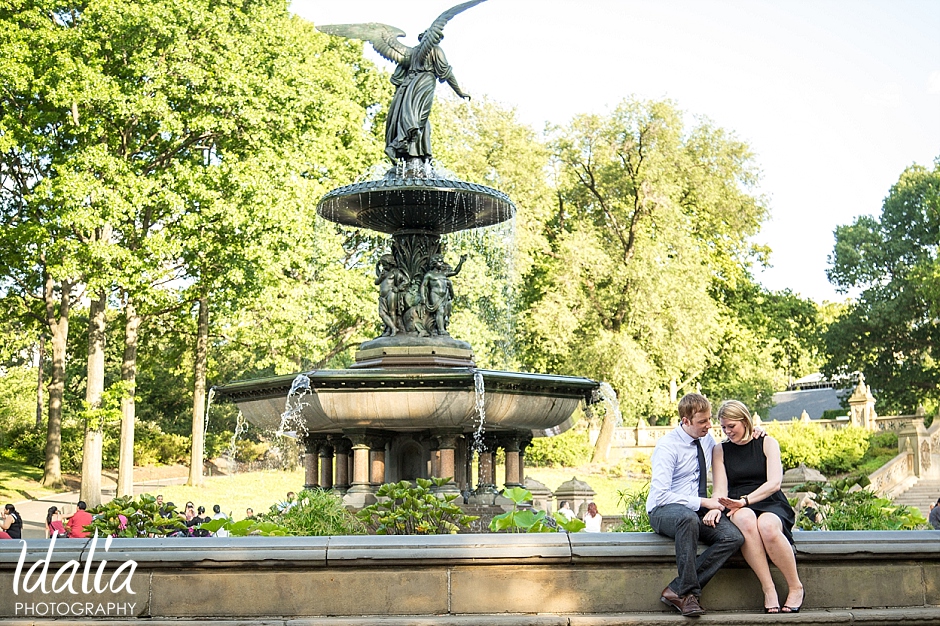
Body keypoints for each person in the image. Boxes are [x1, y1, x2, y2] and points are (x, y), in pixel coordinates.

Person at [645, 393, 745, 617]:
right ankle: (689, 595)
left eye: (709, 419)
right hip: (663, 511)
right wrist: (703, 502)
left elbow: (734, 444)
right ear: (685, 421)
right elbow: (660, 495)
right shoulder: (667, 447)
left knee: (733, 537)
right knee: (687, 518)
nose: (709, 425)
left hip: (695, 510)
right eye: (702, 421)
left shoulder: (707, 440)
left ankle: (676, 589)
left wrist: (754, 433)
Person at [713, 400, 804, 614]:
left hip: (769, 500)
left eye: (731, 426)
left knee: (768, 526)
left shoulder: (767, 442)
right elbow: (720, 488)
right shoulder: (720, 450)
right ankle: (768, 588)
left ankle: (796, 587)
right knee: (745, 519)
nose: (727, 432)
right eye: (723, 427)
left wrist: (746, 500)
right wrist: (717, 507)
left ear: (745, 421)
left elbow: (774, 483)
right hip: (737, 503)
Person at [420, 254, 466, 335]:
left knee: (444, 312)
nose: (442, 264)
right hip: (435, 294)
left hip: (444, 296)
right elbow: (423, 286)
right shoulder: (430, 274)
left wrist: (461, 262)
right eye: (440, 262)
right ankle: (441, 330)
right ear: (434, 263)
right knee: (440, 311)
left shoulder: (443, 273)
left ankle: (439, 327)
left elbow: (455, 272)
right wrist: (423, 297)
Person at [376, 254, 408, 336]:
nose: (384, 266)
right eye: (382, 265)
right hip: (382, 296)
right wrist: (377, 268)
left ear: (390, 263)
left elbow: (406, 280)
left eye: (385, 264)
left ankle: (391, 330)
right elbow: (376, 282)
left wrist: (398, 288)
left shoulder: (395, 272)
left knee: (392, 312)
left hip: (391, 293)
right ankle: (392, 327)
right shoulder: (383, 273)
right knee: (382, 313)